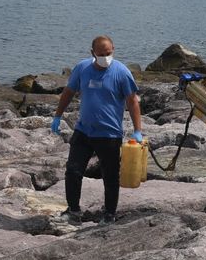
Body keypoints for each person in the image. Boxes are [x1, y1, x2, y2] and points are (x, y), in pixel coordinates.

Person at [51, 35, 142, 224]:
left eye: (109, 53)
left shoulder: (121, 72)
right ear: (92, 53)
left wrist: (137, 130)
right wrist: (58, 116)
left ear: (113, 49)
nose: (105, 57)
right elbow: (69, 92)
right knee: (73, 171)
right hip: (84, 130)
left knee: (110, 176)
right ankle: (74, 211)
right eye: (101, 54)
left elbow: (132, 101)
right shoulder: (82, 68)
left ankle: (109, 214)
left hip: (109, 134)